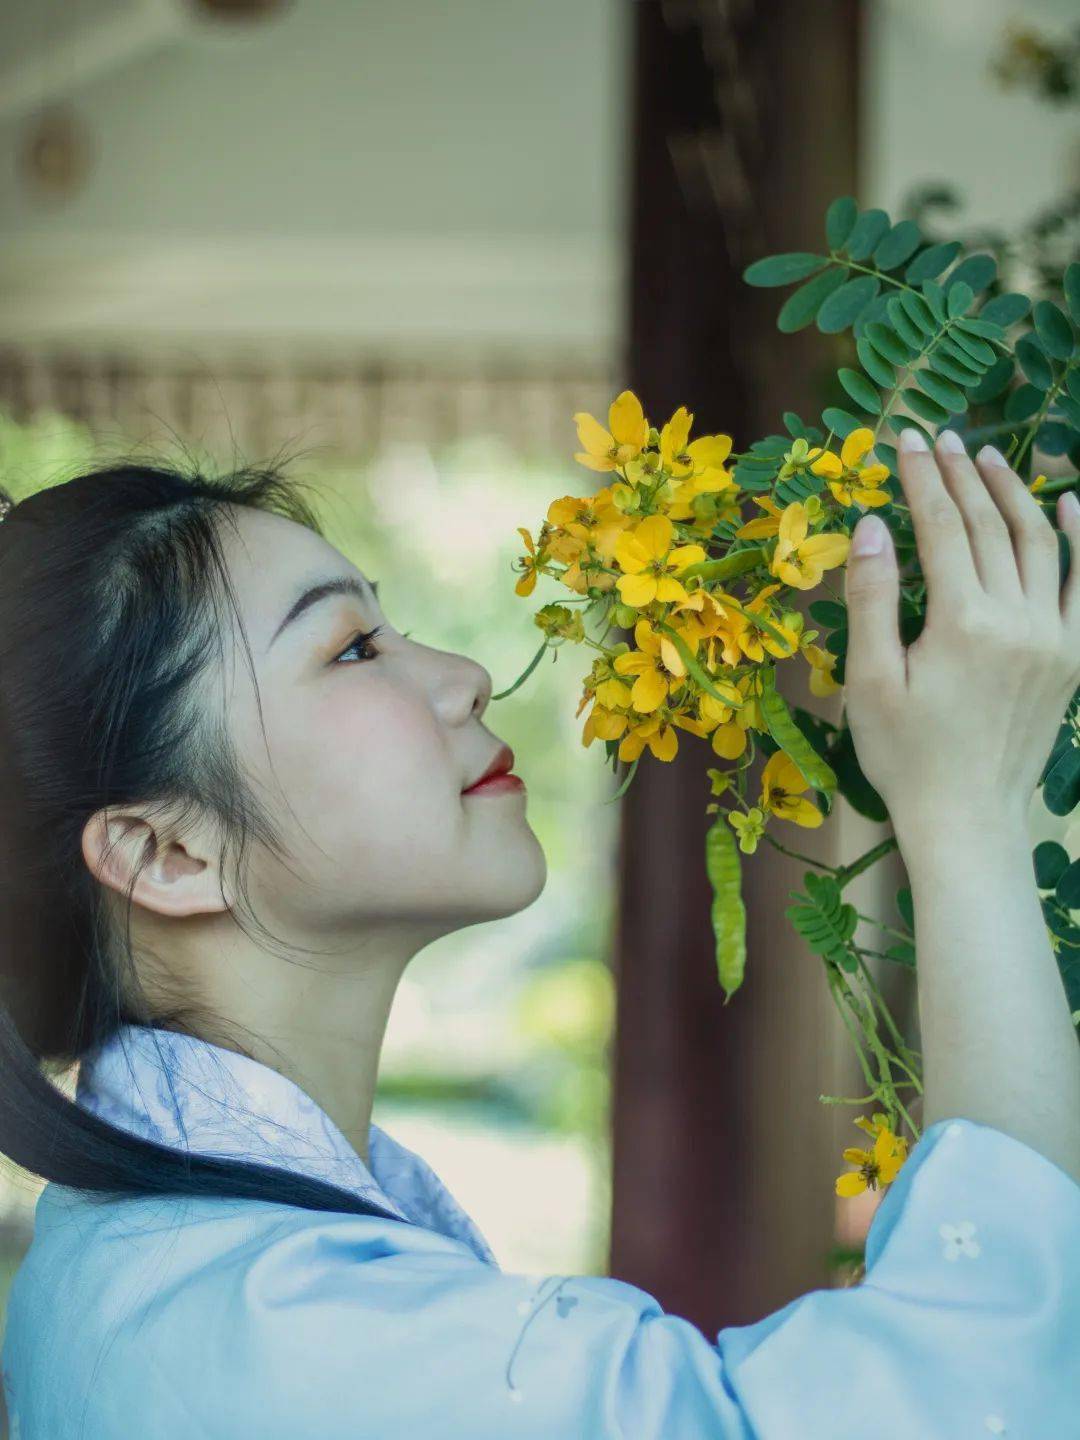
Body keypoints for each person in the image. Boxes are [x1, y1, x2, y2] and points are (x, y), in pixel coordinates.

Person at [0, 429, 1077, 1438]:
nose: (464, 678)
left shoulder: (152, 1264)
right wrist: (965, 808)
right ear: (165, 855)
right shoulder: (283, 1335)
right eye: (354, 648)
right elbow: (963, 1391)